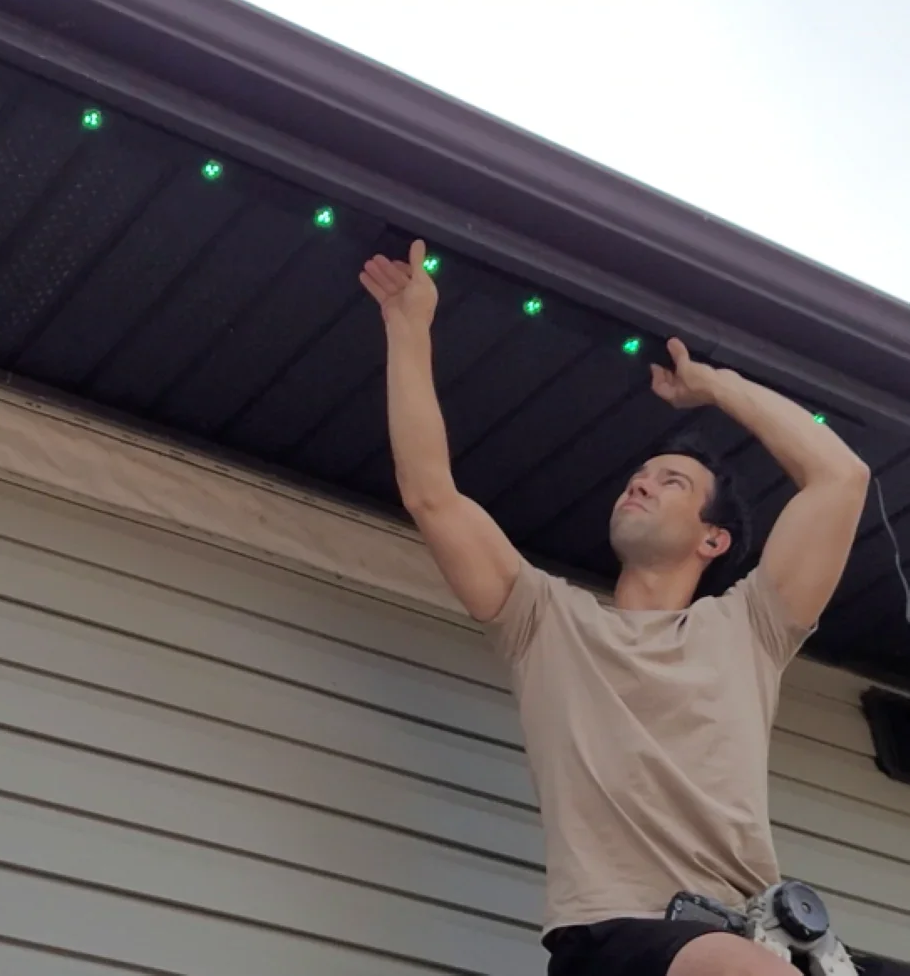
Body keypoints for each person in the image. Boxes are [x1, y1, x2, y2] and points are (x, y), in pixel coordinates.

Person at [359, 240, 870, 976]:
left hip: (750, 935)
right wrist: (408, 330)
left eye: (671, 482)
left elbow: (840, 477)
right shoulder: (544, 622)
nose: (640, 484)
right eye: (638, 475)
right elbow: (432, 495)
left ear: (713, 538)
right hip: (618, 942)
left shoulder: (750, 628)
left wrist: (717, 385)